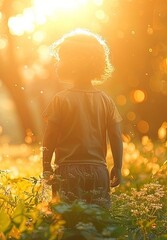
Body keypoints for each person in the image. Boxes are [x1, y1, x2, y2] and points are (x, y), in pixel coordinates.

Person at [41, 29, 123, 208]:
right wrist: (118, 166)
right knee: (98, 220)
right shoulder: (105, 100)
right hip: (99, 171)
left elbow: (50, 137)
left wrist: (46, 165)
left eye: (62, 58)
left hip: (68, 171)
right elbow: (116, 136)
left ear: (70, 65)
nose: (58, 63)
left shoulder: (61, 100)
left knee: (67, 221)